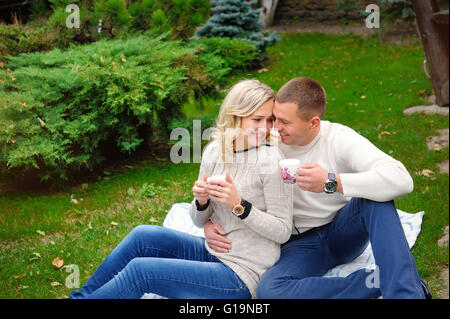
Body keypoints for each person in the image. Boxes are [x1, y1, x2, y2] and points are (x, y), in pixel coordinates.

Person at [205, 77, 429, 299]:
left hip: (342, 231)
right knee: (270, 290)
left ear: (313, 123)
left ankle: (406, 294)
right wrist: (208, 220)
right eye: (275, 118)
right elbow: (226, 173)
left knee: (376, 198)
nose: (274, 128)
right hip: (297, 244)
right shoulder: (263, 138)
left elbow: (401, 179)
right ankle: (380, 281)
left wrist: (332, 182)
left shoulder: (338, 139)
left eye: (284, 122)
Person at [69, 79, 293, 299]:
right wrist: (201, 201)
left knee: (141, 272)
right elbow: (197, 219)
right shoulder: (216, 151)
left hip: (241, 274)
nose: (264, 128)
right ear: (236, 117)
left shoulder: (271, 160)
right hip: (211, 252)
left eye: (270, 119)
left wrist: (239, 205)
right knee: (142, 236)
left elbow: (283, 230)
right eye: (257, 120)